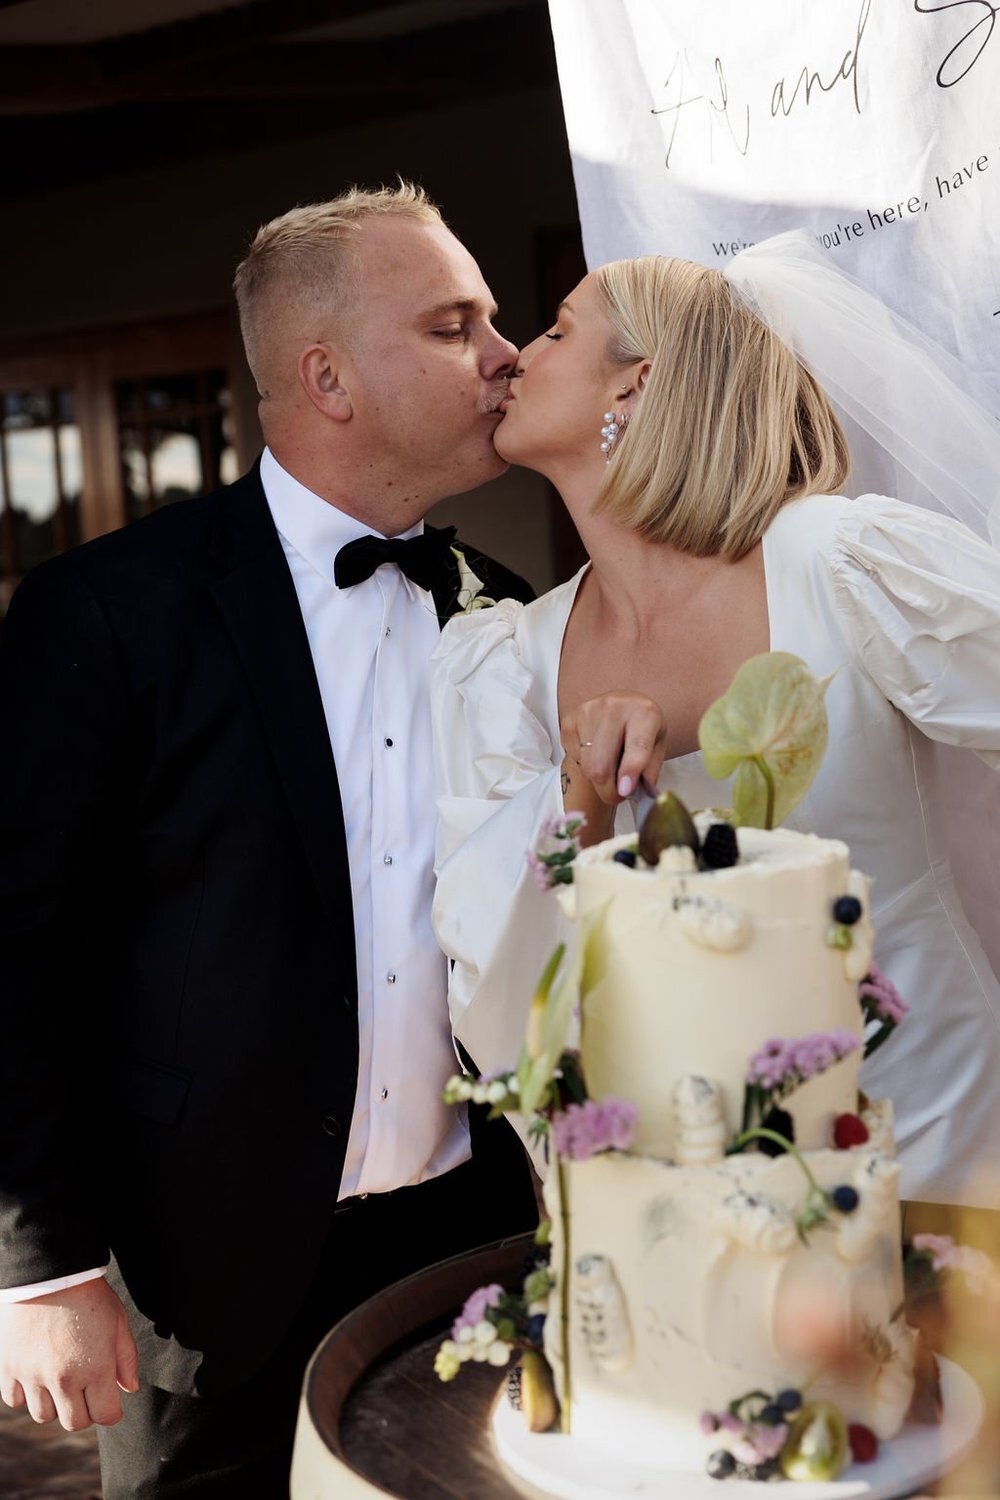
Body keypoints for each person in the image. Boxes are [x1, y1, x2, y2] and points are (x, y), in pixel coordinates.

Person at [0, 183, 538, 1499]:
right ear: (328, 377)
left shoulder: (508, 615)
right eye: (454, 324)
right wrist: (41, 1270)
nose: (504, 353)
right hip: (203, 1277)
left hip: (471, 1245)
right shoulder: (106, 615)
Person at [431, 236, 1000, 1215]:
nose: (517, 354)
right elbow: (496, 964)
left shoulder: (841, 561)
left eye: (559, 330)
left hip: (932, 1125)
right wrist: (579, 776)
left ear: (633, 387)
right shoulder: (509, 659)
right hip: (686, 1171)